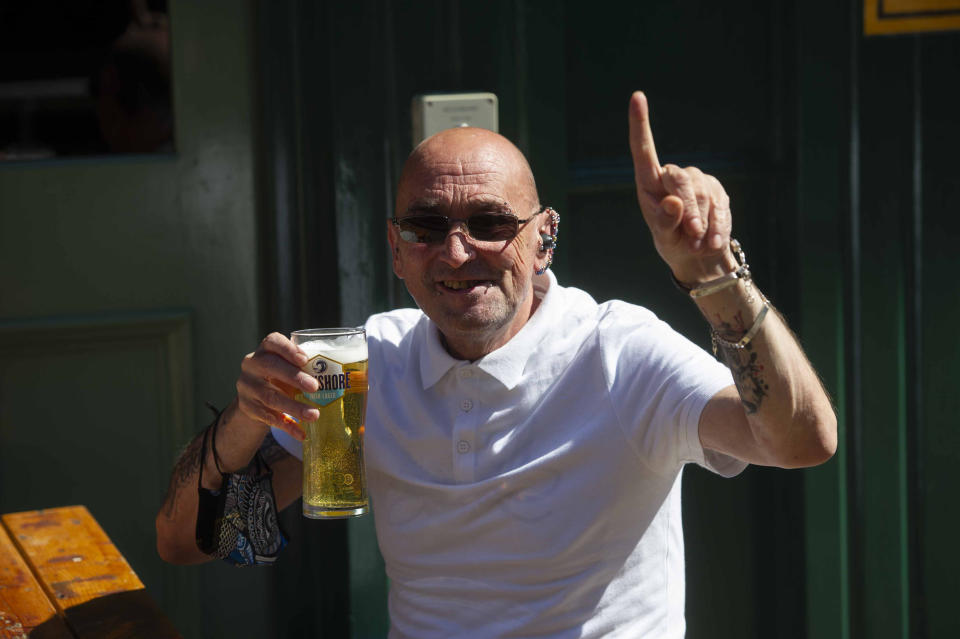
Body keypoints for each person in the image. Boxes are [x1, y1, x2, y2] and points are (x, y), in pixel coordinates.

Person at [156, 92, 836, 637]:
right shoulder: (367, 368)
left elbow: (800, 440)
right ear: (396, 251)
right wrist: (246, 422)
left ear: (545, 239)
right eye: (426, 228)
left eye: (489, 222)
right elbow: (193, 541)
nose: (456, 253)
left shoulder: (617, 351)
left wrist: (715, 276)